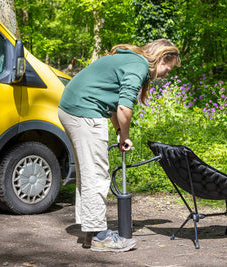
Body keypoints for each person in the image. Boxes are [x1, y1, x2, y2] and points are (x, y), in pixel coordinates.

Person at [58, 39, 181, 252]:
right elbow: (124, 108)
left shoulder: (130, 59)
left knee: (89, 173)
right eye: (166, 69)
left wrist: (118, 132)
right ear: (161, 58)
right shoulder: (139, 65)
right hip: (84, 112)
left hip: (73, 108)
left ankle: (91, 231)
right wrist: (125, 135)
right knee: (96, 175)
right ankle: (99, 236)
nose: (165, 75)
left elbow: (114, 104)